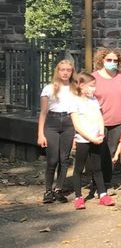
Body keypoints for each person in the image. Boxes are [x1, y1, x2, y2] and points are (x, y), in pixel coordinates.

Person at [37, 58, 78, 204]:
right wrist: (40, 134)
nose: (65, 73)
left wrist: (77, 133)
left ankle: (58, 189)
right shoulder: (49, 88)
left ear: (72, 72)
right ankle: (48, 190)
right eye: (62, 70)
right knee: (52, 159)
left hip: (69, 122)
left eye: (68, 70)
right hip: (52, 122)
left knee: (64, 159)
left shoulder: (75, 88)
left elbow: (78, 111)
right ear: (58, 71)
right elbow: (43, 112)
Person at [70, 72, 113, 208]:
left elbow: (100, 117)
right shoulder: (74, 101)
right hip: (83, 140)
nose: (94, 89)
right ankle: (78, 197)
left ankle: (103, 194)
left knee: (97, 168)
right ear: (82, 86)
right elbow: (77, 125)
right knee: (79, 168)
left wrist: (101, 133)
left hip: (97, 139)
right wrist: (90, 138)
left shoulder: (94, 100)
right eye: (91, 86)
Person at [92, 47, 121, 195]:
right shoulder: (93, 77)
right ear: (102, 60)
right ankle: (96, 184)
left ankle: (106, 182)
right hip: (98, 121)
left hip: (118, 121)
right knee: (98, 153)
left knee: (111, 153)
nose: (112, 62)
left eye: (115, 60)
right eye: (109, 60)